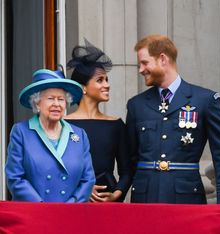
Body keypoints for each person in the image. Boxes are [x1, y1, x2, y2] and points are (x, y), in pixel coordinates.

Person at [126, 34, 220, 204]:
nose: (141, 69)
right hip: (144, 198)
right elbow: (131, 158)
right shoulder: (136, 105)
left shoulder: (204, 100)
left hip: (186, 199)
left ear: (163, 59)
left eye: (145, 63)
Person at [5, 69, 95, 202]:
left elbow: (88, 179)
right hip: (34, 213)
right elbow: (15, 178)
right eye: (51, 98)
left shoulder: (79, 135)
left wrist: (71, 204)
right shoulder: (21, 132)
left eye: (61, 99)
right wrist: (44, 208)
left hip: (71, 213)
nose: (57, 104)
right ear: (37, 103)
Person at [65, 39, 132, 202]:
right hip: (72, 202)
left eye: (107, 80)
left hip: (108, 204)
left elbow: (127, 171)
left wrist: (116, 194)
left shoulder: (116, 124)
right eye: (100, 80)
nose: (107, 85)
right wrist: (81, 189)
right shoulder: (63, 124)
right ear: (83, 88)